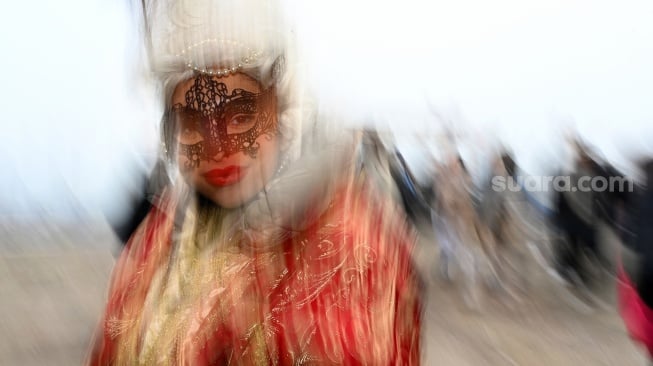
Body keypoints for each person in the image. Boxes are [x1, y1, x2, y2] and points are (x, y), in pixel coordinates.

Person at [86, 0, 421, 364]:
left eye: (240, 112)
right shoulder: (157, 241)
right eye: (191, 118)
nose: (217, 145)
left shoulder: (352, 243)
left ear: (279, 103)